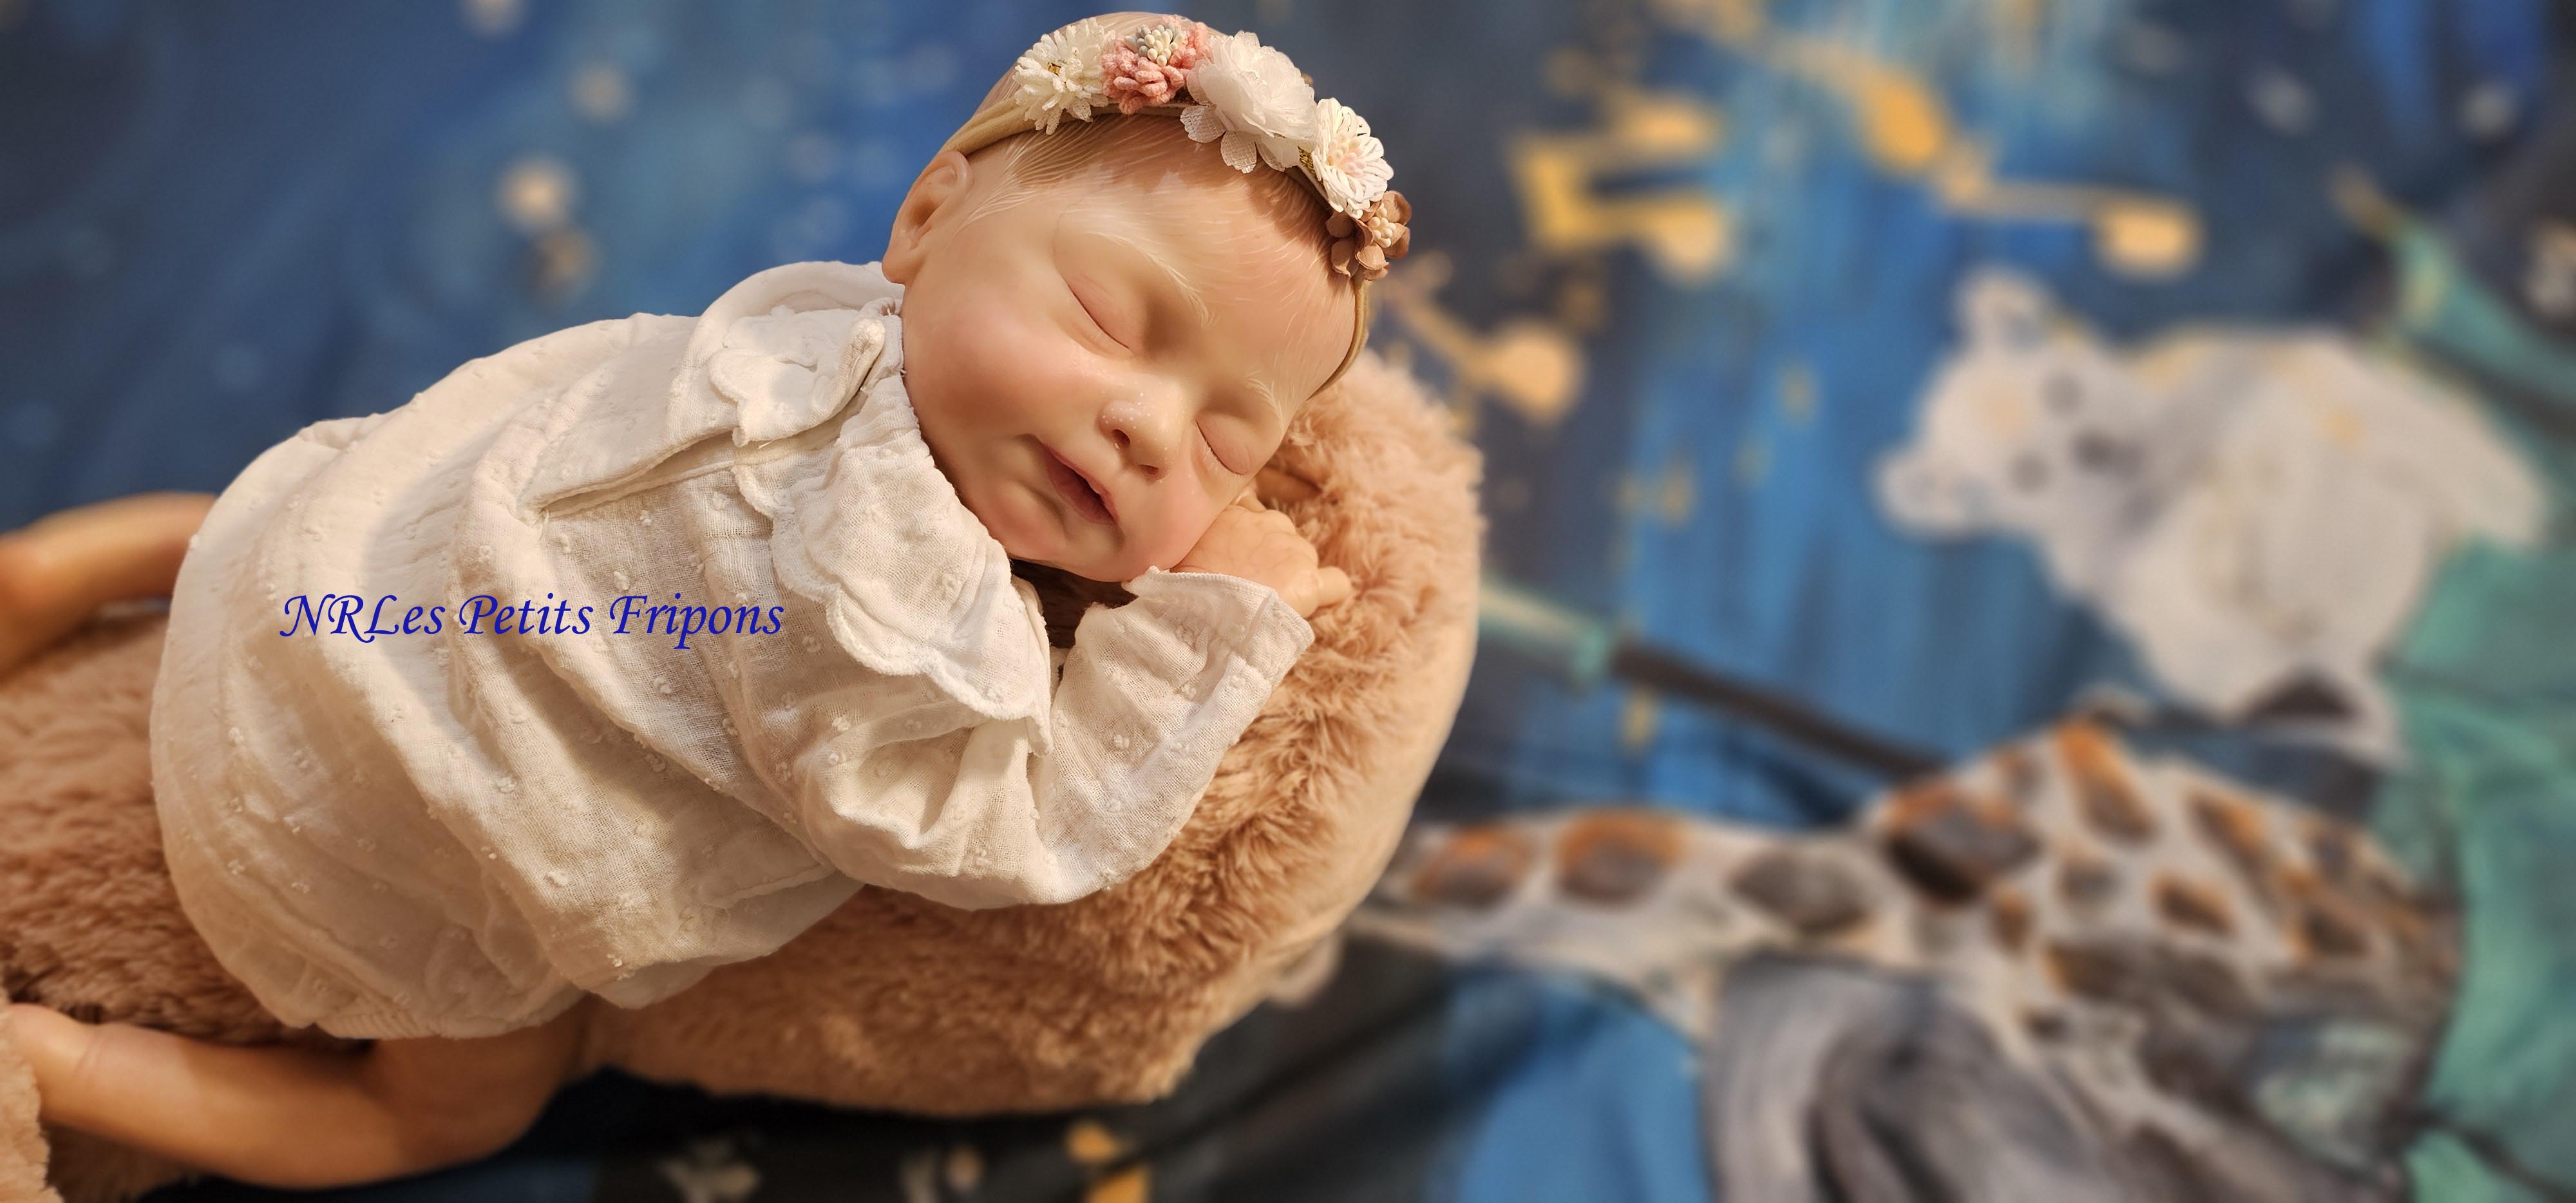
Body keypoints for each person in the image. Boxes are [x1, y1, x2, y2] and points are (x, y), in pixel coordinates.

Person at [3, 10, 1410, 1188]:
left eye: (1226, 441)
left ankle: (55, 573)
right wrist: (1206, 627)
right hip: (338, 834)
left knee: (318, 503)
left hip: (305, 580)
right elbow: (1016, 834)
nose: (1149, 429)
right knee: (437, 1117)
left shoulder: (809, 321)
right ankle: (54, 1061)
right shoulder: (900, 617)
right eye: (1109, 323)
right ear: (927, 214)